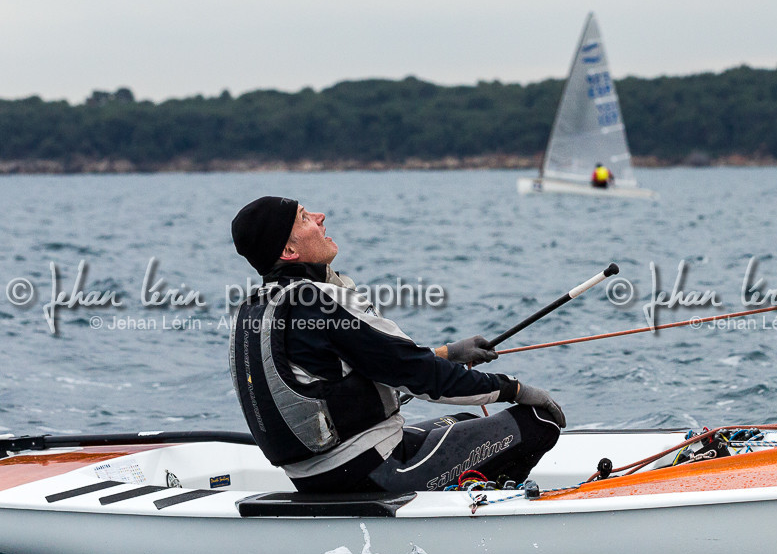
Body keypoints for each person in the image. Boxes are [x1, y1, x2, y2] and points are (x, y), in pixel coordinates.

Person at [227, 196, 563, 494]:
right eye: (304, 217)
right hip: (373, 471)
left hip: (317, 477)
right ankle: (493, 513)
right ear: (289, 251)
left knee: (461, 418)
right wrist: (514, 389)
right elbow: (418, 375)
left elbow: (360, 365)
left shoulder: (256, 308)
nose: (320, 217)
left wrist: (448, 354)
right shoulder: (319, 301)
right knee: (537, 421)